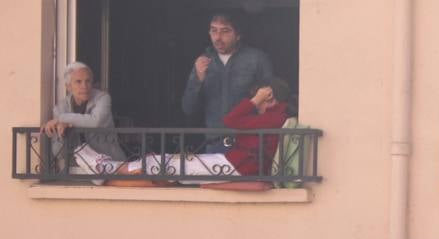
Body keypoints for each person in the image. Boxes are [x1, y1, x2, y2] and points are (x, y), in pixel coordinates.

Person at [136, 81, 290, 182]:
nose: (256, 105)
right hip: (233, 163)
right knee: (174, 161)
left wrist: (255, 99)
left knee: (170, 164)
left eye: (260, 98)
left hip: (237, 168)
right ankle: (120, 167)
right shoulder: (274, 117)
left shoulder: (274, 118)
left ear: (270, 98)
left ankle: (116, 169)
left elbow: (231, 120)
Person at [181, 11, 275, 136]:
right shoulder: (202, 62)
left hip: (247, 142)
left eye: (225, 31)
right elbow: (188, 109)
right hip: (213, 143)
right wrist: (198, 79)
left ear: (238, 35)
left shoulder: (257, 59)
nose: (218, 37)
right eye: (214, 31)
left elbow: (271, 103)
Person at [42, 61, 124, 177]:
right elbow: (58, 153)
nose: (84, 86)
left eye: (88, 81)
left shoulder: (103, 98)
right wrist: (60, 132)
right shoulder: (60, 108)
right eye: (78, 82)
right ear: (68, 87)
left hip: (111, 167)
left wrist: (63, 119)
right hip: (76, 170)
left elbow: (95, 121)